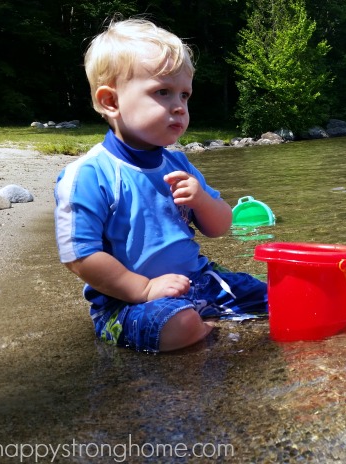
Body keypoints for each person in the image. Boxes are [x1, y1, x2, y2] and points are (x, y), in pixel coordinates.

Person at [54, 18, 267, 352]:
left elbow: (221, 226)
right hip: (127, 303)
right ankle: (201, 325)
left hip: (199, 280)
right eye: (162, 92)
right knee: (179, 326)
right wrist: (143, 289)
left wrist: (202, 201)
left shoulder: (178, 163)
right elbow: (79, 255)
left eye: (185, 95)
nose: (179, 107)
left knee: (273, 293)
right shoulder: (90, 174)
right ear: (111, 102)